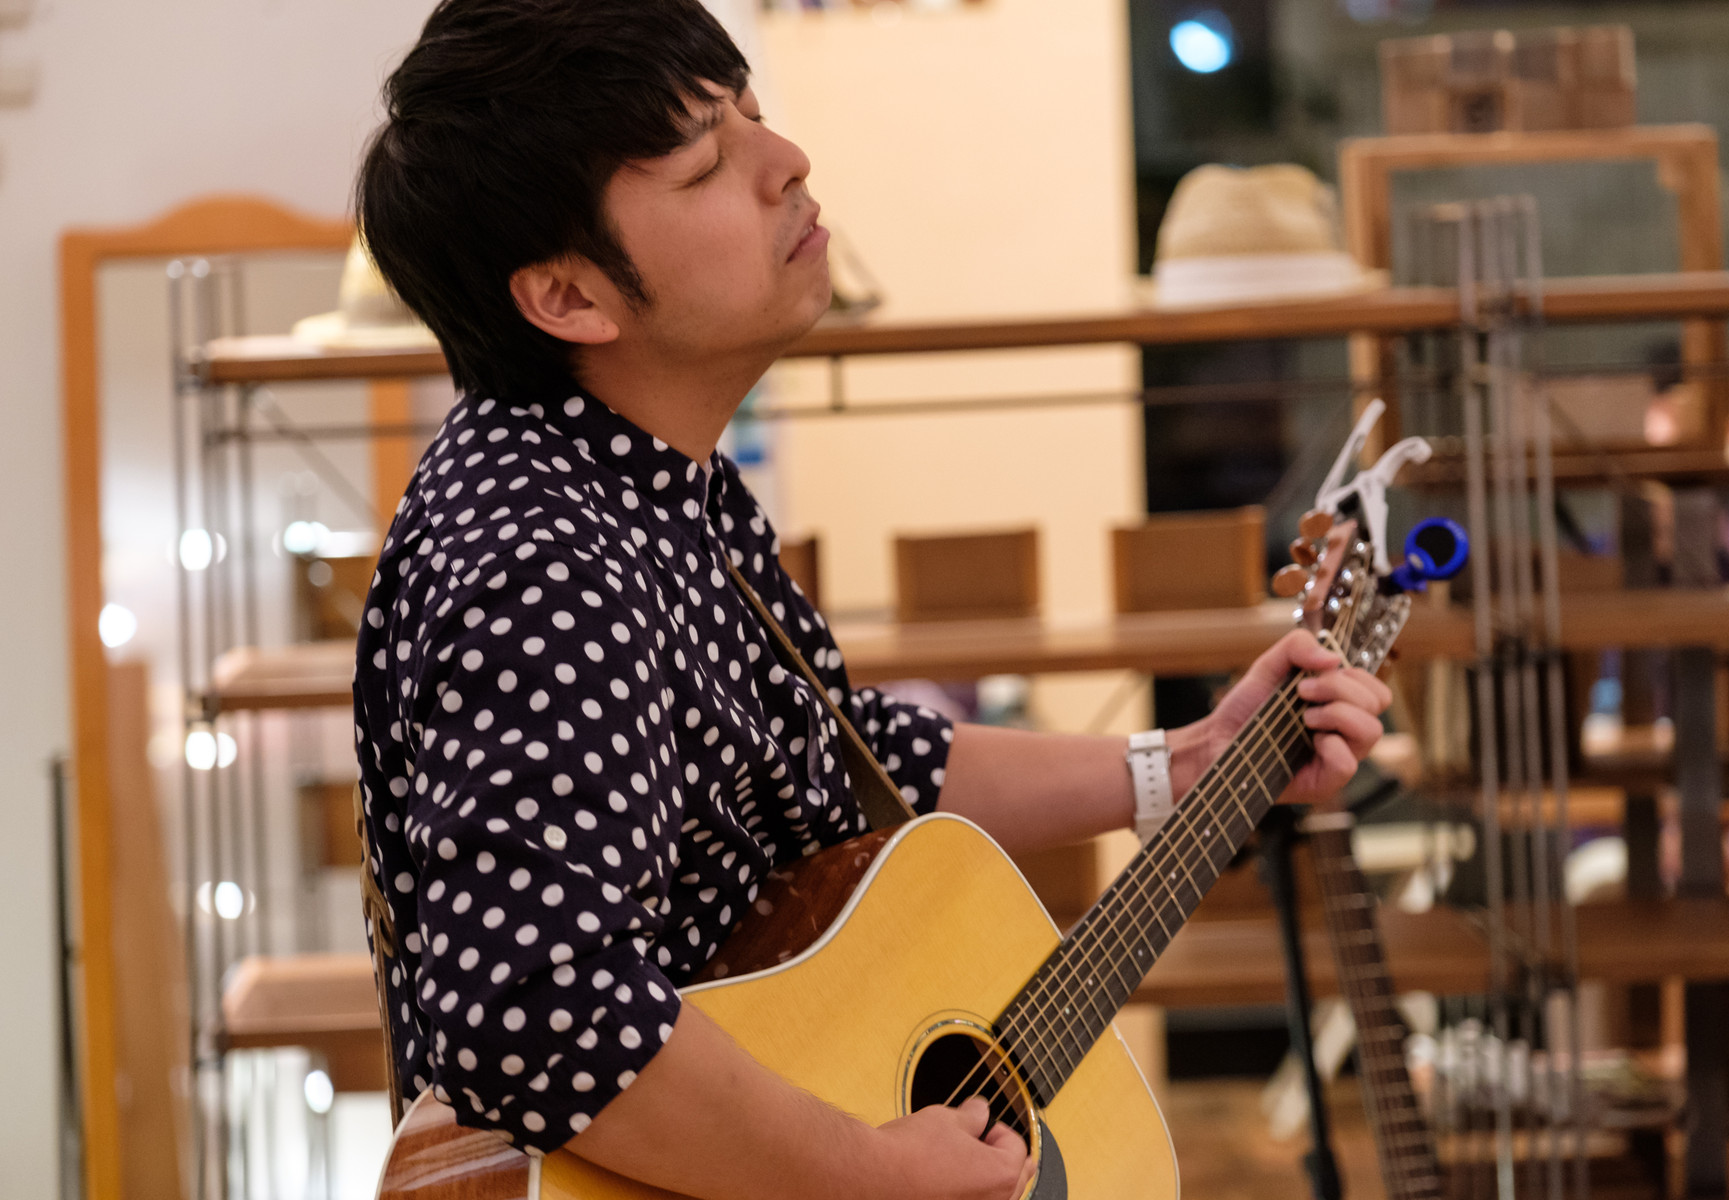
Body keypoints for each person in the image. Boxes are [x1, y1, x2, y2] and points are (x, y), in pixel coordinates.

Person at [352, 3, 1391, 1198]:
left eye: (751, 112)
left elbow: (841, 765)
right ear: (570, 297)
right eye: (705, 162)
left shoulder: (654, 488)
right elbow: (530, 1005)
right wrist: (865, 1167)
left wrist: (1186, 765)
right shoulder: (543, 562)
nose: (786, 160)